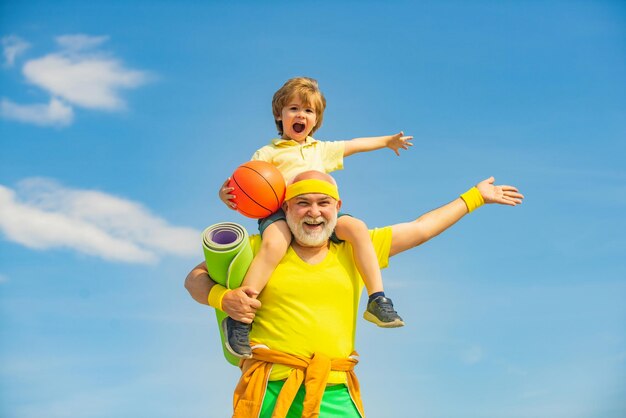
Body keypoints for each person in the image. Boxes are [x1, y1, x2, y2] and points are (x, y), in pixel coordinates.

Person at [186, 170, 524, 417]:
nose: (314, 211)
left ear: (338, 208)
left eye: (323, 203)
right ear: (285, 210)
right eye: (302, 203)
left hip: (335, 391)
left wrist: (475, 196)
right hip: (269, 391)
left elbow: (422, 229)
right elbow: (194, 278)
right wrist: (221, 298)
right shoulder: (260, 247)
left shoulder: (355, 249)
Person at [218, 77, 414, 358]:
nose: (301, 115)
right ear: (279, 115)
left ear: (316, 120)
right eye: (294, 108)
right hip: (282, 214)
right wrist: (224, 196)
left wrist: (387, 141)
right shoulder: (267, 153)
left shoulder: (320, 150)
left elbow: (355, 144)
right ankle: (240, 316)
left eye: (308, 111)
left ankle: (377, 299)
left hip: (321, 215)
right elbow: (243, 185)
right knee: (274, 243)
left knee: (357, 228)